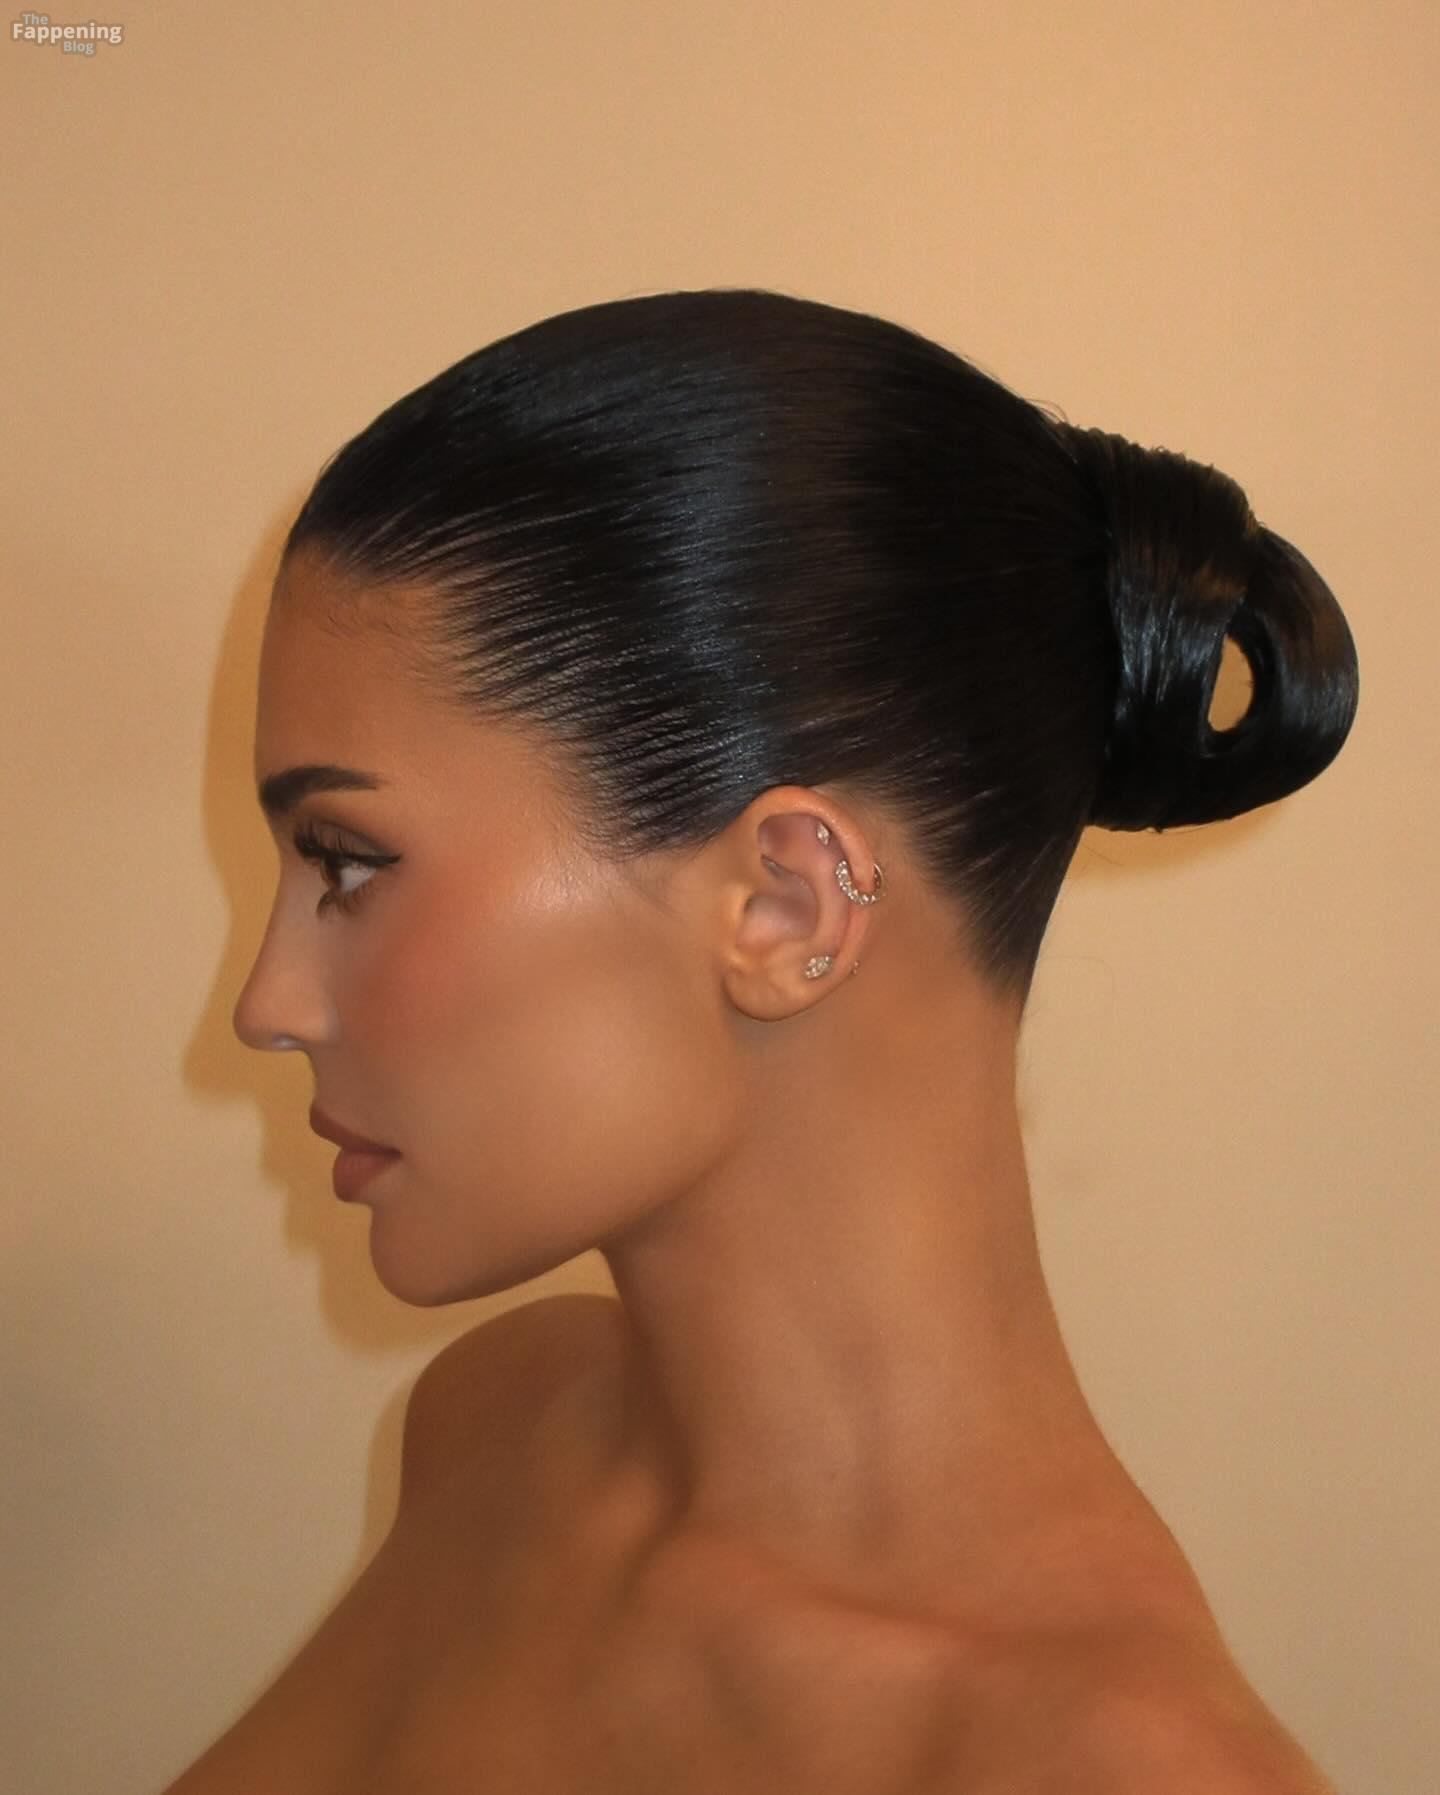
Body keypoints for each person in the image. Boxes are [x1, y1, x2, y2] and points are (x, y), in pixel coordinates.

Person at [166, 288, 1358, 1792]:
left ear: (786, 905)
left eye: (347, 863)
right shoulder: (496, 1430)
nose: (266, 1005)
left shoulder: (1104, 1768)